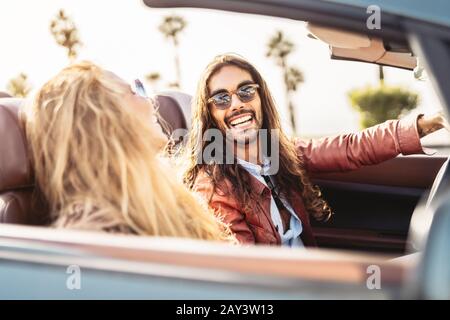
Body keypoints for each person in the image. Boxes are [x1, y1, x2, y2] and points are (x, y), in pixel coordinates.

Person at [183, 53, 448, 247]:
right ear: (209, 114)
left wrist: (431, 122)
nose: (237, 104)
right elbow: (246, 271)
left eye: (246, 91)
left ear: (261, 97)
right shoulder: (215, 187)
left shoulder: (281, 154)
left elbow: (352, 148)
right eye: (221, 98)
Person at [25, 61, 234, 242]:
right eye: (135, 91)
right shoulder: (90, 234)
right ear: (103, 122)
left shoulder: (166, 199)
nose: (150, 101)